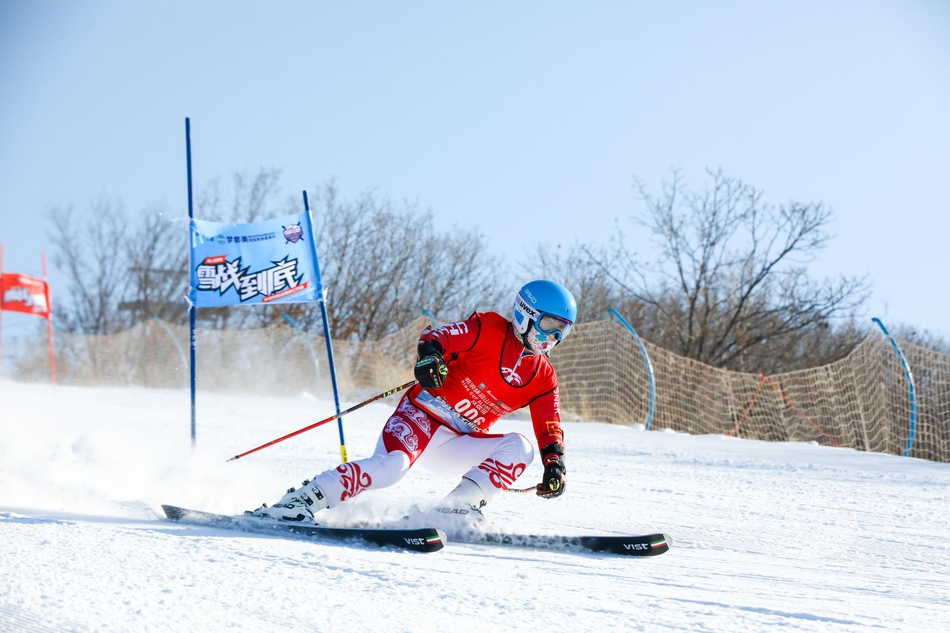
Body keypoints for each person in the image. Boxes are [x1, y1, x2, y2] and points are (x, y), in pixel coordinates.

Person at [252, 279, 577, 524]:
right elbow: (437, 337)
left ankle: (455, 510)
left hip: (456, 441)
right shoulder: (488, 328)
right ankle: (302, 500)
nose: (553, 338)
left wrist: (555, 465)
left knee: (522, 447)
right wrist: (430, 359)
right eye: (548, 325)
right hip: (420, 416)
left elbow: (550, 426)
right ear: (526, 314)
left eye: (562, 331)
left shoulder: (543, 376)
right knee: (391, 468)